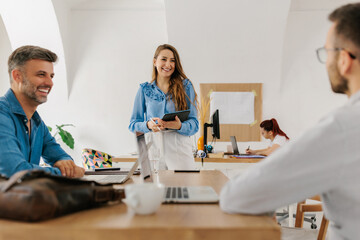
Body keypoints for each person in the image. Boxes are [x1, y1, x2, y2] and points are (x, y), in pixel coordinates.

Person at [220, 3, 360, 239]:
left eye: (327, 52)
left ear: (345, 59)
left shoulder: (343, 128)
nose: (326, 62)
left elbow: (236, 196)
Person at [0, 45, 85, 178]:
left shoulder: (36, 121)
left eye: (51, 76)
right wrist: (63, 173)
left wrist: (66, 164)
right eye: (41, 74)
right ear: (17, 76)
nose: (50, 83)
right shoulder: (2, 115)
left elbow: (62, 157)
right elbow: (14, 171)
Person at [129, 44, 198, 170]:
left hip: (180, 149)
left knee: (184, 189)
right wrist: (149, 125)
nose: (168, 64)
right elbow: (133, 124)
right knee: (156, 189)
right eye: (164, 59)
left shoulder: (186, 86)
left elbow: (194, 124)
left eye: (172, 61)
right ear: (155, 62)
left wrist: (179, 126)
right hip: (153, 151)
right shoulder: (144, 90)